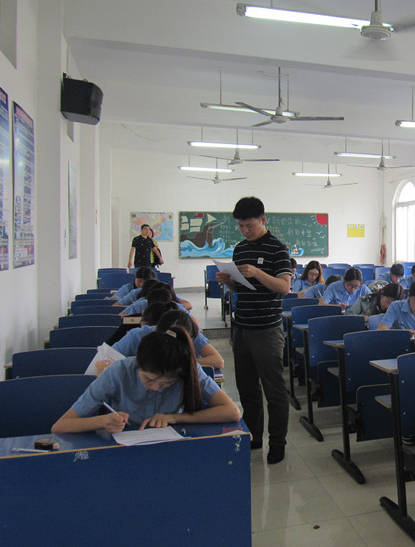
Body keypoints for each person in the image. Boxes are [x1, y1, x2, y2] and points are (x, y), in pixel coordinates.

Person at [216, 196, 292, 464]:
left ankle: (278, 442)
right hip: (242, 327)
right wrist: (228, 281)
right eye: (240, 226)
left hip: (267, 330)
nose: (245, 231)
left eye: (249, 225)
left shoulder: (278, 249)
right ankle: (254, 435)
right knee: (246, 388)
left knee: (274, 390)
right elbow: (240, 288)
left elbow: (284, 287)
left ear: (263, 220)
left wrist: (258, 272)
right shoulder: (239, 249)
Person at [51, 328, 240, 433]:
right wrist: (102, 421)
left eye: (168, 383)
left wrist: (174, 417)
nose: (156, 388)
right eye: (149, 380)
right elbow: (60, 426)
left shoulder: (189, 370)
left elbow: (232, 412)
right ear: (138, 364)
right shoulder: (118, 372)